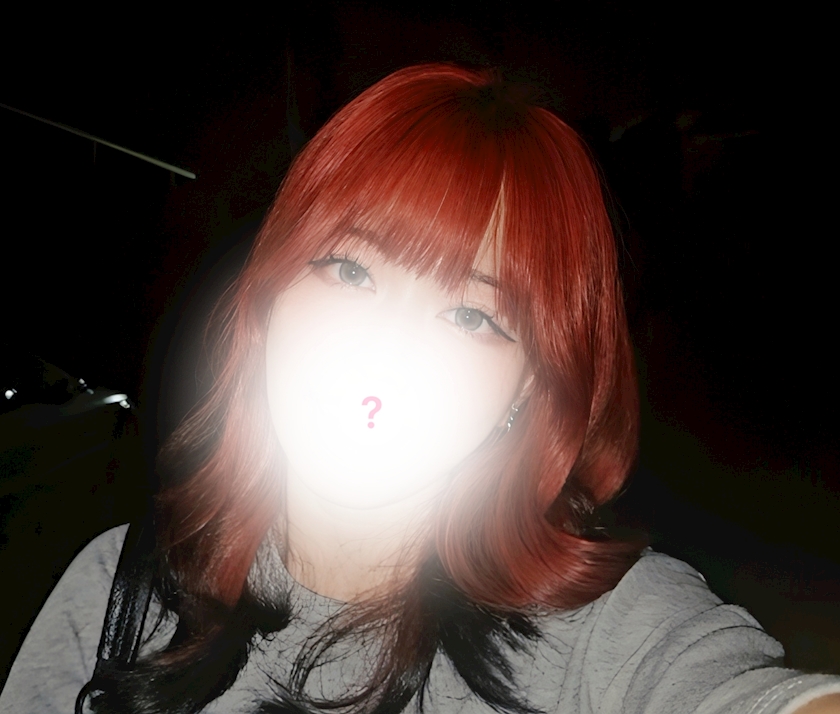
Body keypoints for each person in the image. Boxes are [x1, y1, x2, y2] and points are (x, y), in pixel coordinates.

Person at [1, 63, 838, 714]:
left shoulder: (614, 630)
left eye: (472, 316)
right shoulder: (113, 589)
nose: (385, 348)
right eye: (349, 269)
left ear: (528, 391)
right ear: (268, 298)